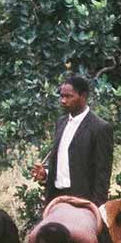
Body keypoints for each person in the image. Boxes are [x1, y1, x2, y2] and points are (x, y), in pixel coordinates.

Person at [31, 75, 113, 206]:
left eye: (69, 96)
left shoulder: (100, 127)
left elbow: (102, 173)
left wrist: (95, 208)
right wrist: (45, 174)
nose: (63, 101)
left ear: (84, 96)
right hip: (55, 199)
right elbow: (62, 162)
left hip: (83, 202)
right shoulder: (61, 123)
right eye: (62, 96)